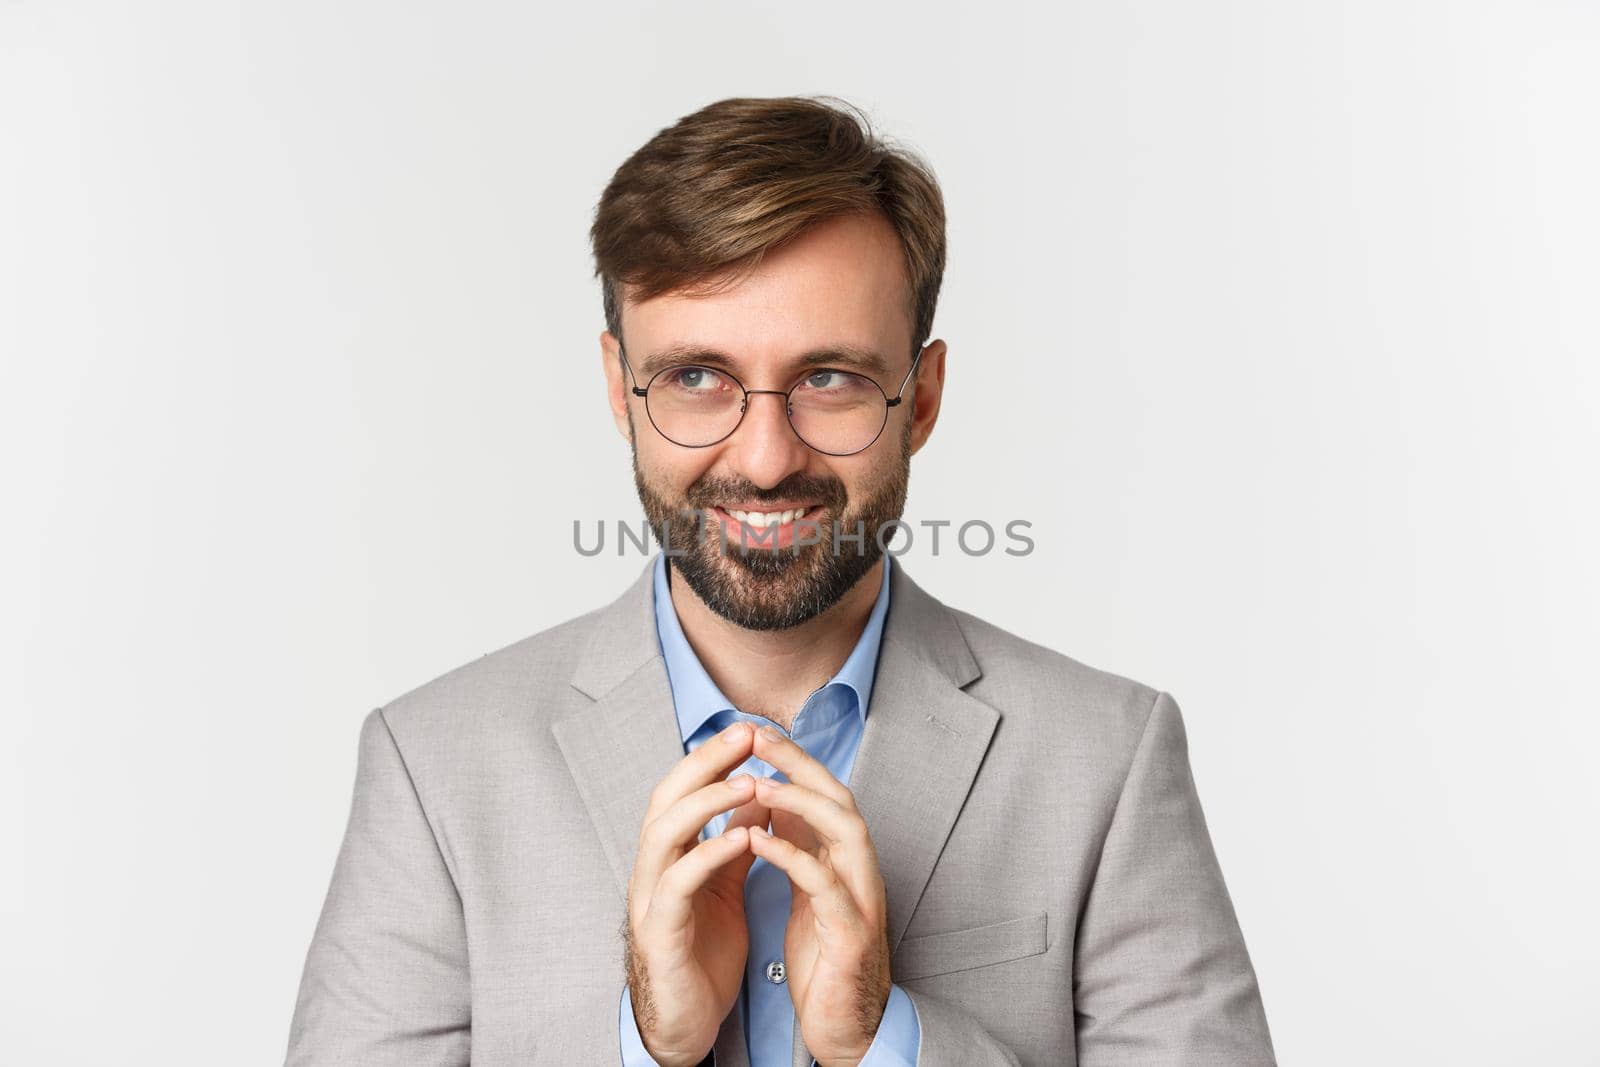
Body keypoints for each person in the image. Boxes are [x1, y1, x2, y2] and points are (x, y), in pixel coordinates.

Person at [285, 95, 1276, 1067]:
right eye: (695, 377)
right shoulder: (432, 768)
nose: (763, 458)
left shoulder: (1106, 758)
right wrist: (642, 1044)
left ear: (920, 397)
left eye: (830, 378)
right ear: (618, 391)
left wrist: (885, 1040)